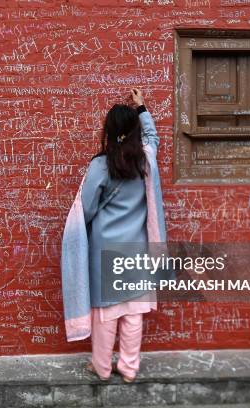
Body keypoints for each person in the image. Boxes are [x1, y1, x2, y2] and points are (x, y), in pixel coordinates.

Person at [81, 88, 161, 383]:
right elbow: (153, 139)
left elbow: (86, 208)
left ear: (109, 131)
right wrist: (142, 108)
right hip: (137, 247)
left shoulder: (101, 165)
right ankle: (129, 368)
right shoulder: (146, 161)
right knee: (133, 313)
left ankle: (101, 367)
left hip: (105, 249)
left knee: (106, 314)